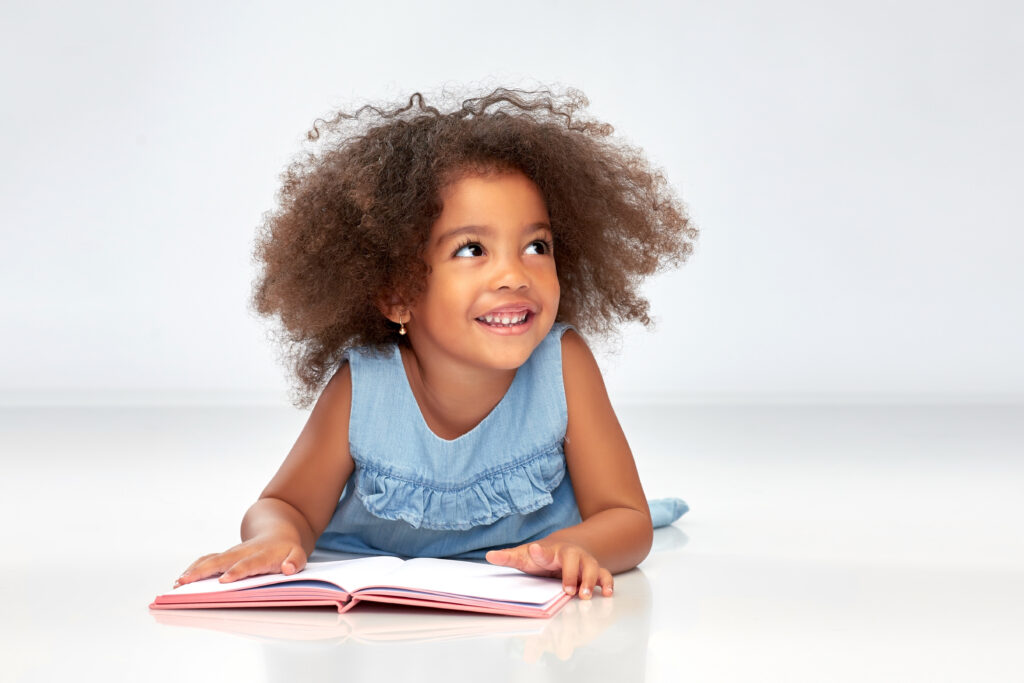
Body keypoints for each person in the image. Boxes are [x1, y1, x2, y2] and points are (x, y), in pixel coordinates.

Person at [175, 88, 697, 600]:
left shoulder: (563, 365)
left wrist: (576, 545)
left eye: (536, 245)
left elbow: (627, 520)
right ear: (399, 293)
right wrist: (278, 537)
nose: (514, 274)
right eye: (472, 249)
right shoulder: (365, 386)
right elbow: (285, 504)